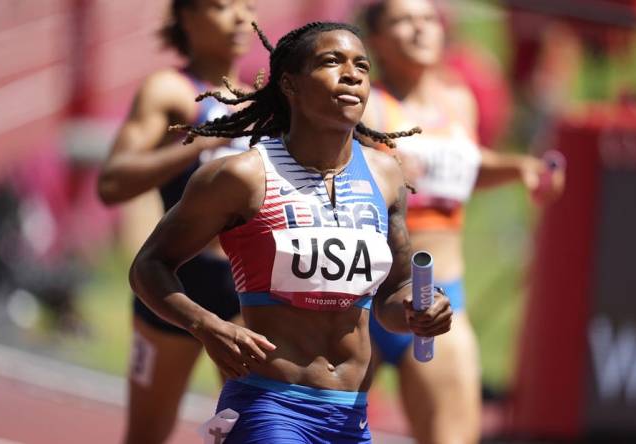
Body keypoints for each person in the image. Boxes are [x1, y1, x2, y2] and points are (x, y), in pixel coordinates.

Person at [129, 20, 453, 443]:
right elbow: (149, 266)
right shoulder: (242, 176)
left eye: (362, 66)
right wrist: (205, 325)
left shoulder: (385, 175)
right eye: (331, 62)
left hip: (349, 416)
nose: (352, 74)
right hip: (269, 405)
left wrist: (421, 310)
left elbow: (395, 294)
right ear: (290, 84)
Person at [359, 1, 565, 443]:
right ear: (375, 39)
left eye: (427, 19)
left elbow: (466, 166)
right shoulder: (366, 105)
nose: (419, 30)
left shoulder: (457, 99)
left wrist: (520, 168)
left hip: (440, 297)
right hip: (361, 300)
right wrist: (384, 175)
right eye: (403, 22)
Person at [96, 1, 257, 442]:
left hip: (248, 290)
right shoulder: (169, 90)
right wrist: (203, 140)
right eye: (224, 6)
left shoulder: (261, 100)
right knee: (147, 434)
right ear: (186, 16)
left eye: (250, 5)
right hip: (175, 286)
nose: (241, 17)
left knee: (250, 433)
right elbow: (112, 183)